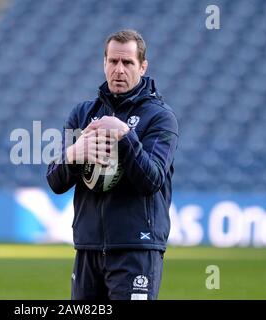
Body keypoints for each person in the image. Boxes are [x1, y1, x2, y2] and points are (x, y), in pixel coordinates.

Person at [46, 29, 179, 300]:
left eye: (128, 63)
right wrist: (73, 154)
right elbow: (55, 182)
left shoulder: (161, 118)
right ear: (104, 63)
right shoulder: (82, 114)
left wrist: (125, 136)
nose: (119, 70)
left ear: (143, 66)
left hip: (136, 249)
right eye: (113, 61)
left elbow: (151, 180)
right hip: (88, 248)